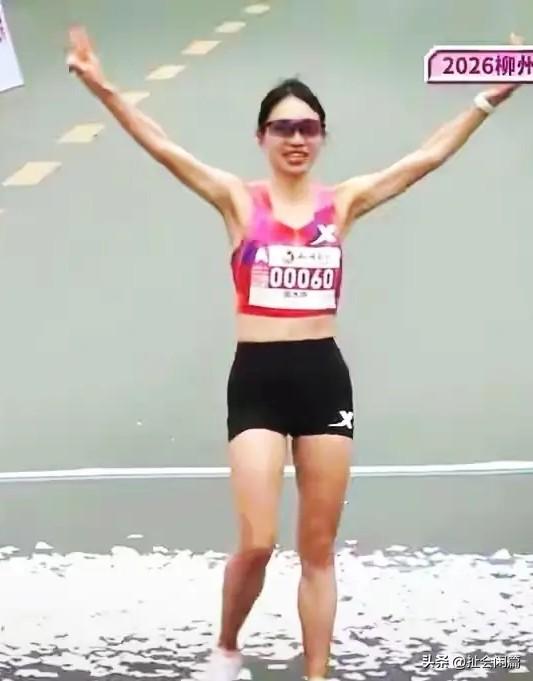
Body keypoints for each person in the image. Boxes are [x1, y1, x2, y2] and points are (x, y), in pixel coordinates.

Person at [66, 26, 523, 681]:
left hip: (322, 380)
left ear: (322, 137)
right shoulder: (236, 198)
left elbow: (424, 158)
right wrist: (101, 85)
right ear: (262, 137)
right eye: (283, 128)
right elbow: (161, 145)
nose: (296, 139)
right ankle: (226, 646)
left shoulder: (343, 203)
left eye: (308, 128)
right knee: (257, 540)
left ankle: (316, 673)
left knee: (317, 549)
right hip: (256, 381)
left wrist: (487, 99)